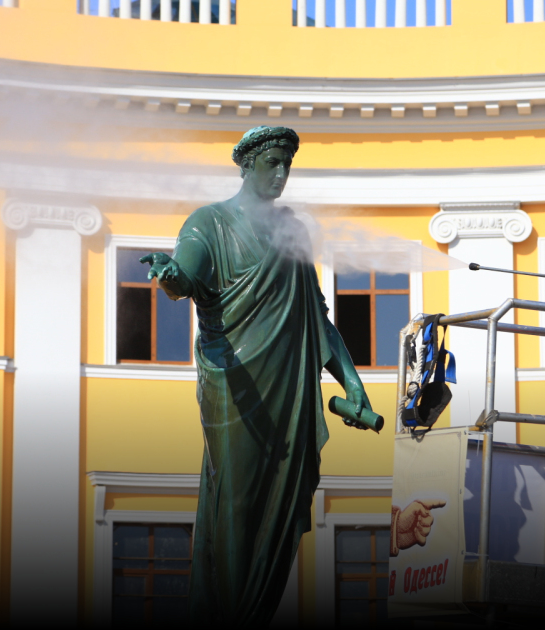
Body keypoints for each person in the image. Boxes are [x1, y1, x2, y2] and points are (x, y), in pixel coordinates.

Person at [139, 126, 374, 625]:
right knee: (238, 502)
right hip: (235, 383)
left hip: (290, 388)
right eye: (273, 162)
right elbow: (186, 276)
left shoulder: (293, 232)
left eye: (288, 163)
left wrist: (352, 383)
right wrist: (171, 275)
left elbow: (316, 317)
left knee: (278, 510)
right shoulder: (210, 222)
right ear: (246, 165)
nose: (282, 173)